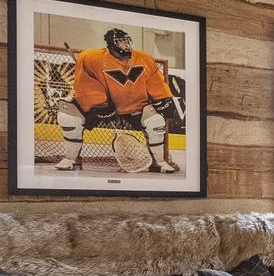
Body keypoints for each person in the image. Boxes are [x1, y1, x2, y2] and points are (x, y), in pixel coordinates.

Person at [52, 28, 181, 174]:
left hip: (134, 106)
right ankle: (72, 159)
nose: (125, 45)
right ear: (110, 44)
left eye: (126, 41)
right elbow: (84, 84)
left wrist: (162, 99)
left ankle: (159, 162)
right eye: (121, 42)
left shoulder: (144, 58)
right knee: (68, 117)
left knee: (156, 121)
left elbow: (155, 82)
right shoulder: (90, 58)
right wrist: (100, 103)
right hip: (104, 105)